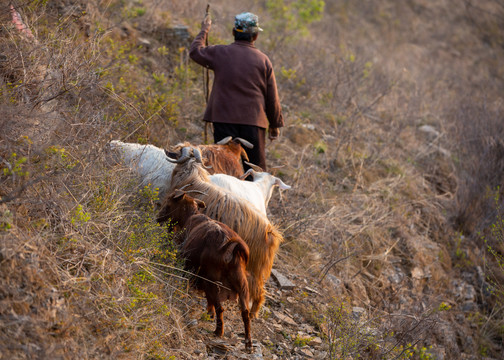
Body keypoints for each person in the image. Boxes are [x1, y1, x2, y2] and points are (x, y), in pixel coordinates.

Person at [189, 12, 284, 171]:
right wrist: (274, 125)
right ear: (255, 36)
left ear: (234, 33)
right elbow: (272, 98)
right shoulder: (263, 60)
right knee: (255, 172)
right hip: (254, 123)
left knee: (223, 169)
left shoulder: (219, 53)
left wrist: (204, 29)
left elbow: (195, 51)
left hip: (223, 120)